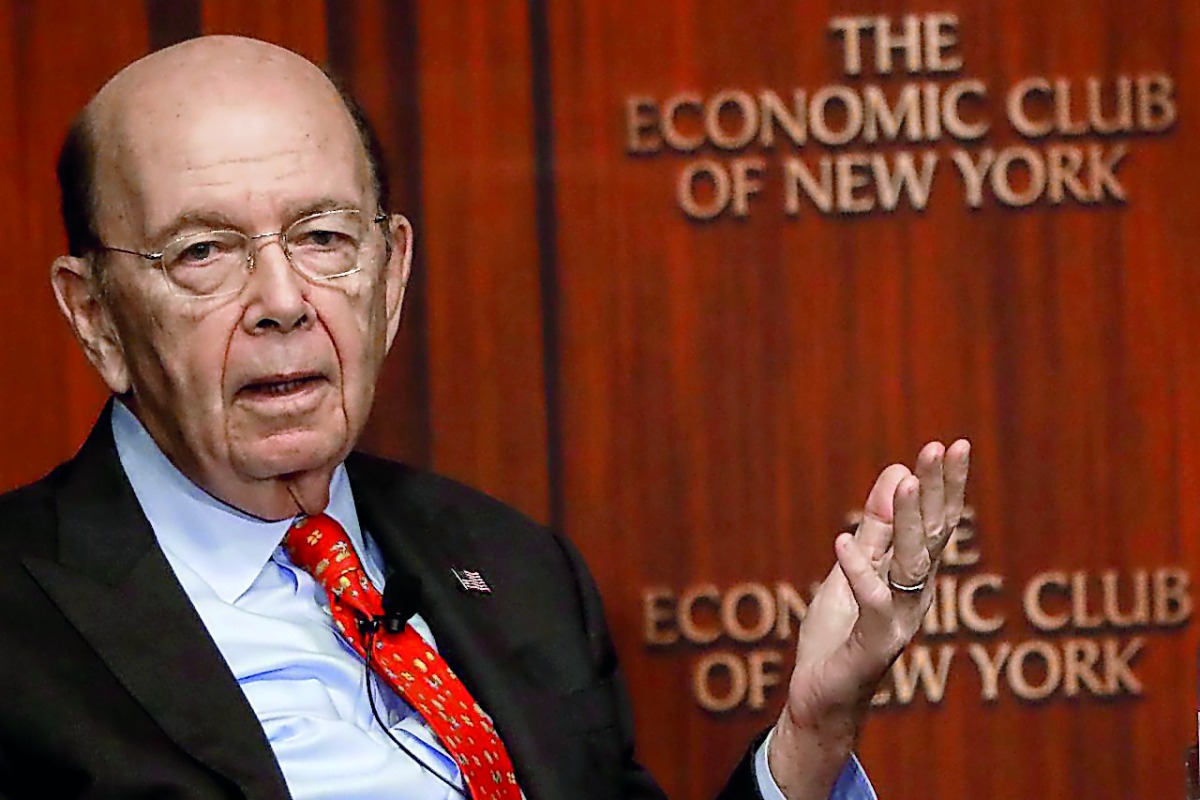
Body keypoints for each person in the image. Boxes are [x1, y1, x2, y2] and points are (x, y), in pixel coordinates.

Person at [0, 35, 969, 799]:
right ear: (96, 314)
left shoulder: (514, 568)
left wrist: (812, 728)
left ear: (392, 274)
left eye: (325, 236)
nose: (282, 298)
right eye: (205, 251)